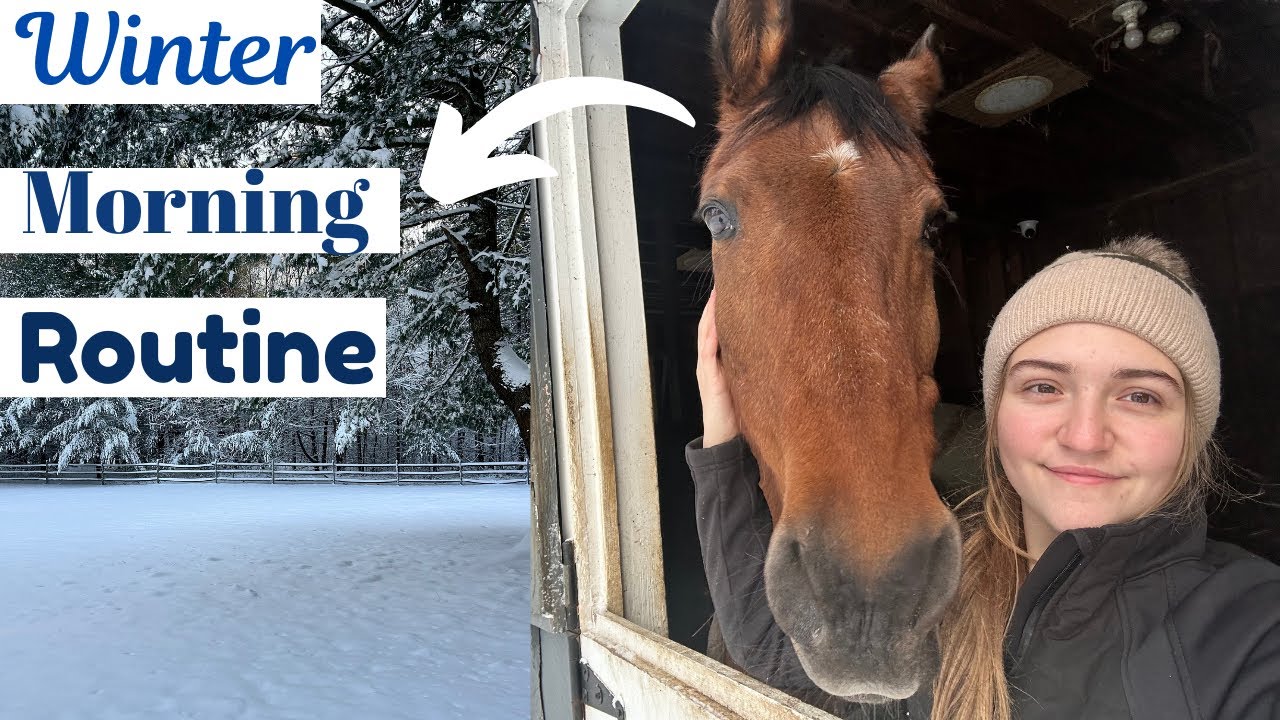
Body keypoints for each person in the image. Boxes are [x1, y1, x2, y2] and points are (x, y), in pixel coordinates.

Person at [687, 236, 1280, 720]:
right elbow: (779, 662)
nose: (1085, 436)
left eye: (1141, 396)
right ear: (997, 416)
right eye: (1044, 387)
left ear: (1193, 432)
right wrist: (723, 437)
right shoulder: (944, 591)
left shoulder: (1250, 631)